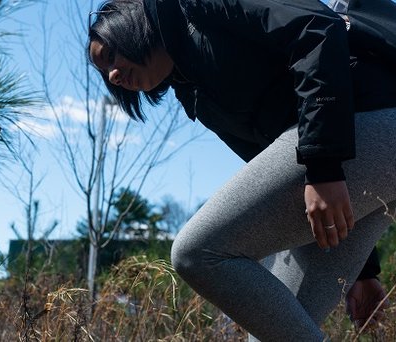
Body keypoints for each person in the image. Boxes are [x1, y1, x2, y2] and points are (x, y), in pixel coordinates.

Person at [87, 0, 396, 340]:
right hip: (357, 158)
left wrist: (323, 168)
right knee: (269, 330)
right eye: (105, 74)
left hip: (373, 120)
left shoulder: (196, 6)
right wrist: (362, 270)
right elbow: (267, 165)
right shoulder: (191, 88)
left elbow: (317, 28)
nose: (112, 75)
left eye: (110, 55)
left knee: (196, 253)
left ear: (129, 24)